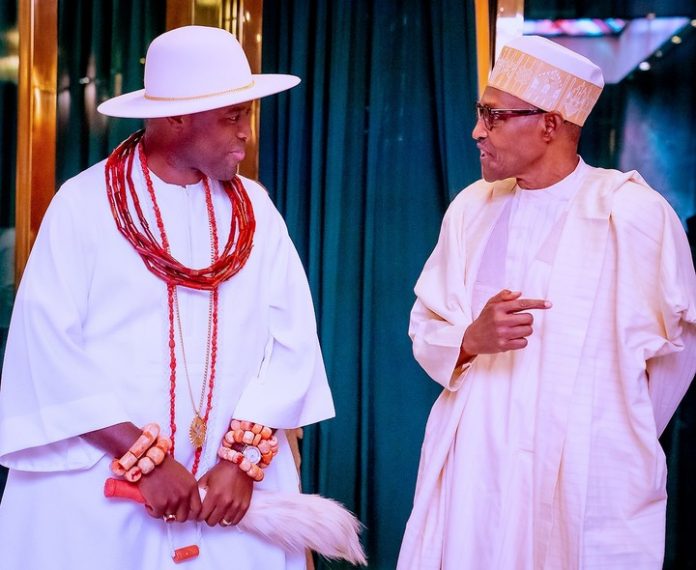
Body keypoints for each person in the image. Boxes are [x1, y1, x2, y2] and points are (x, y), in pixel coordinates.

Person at [0, 25, 334, 569]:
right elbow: (46, 351)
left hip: (232, 496)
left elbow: (293, 342)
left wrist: (241, 463)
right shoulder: (83, 205)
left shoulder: (257, 210)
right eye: (233, 117)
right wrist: (145, 461)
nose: (247, 133)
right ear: (177, 117)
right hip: (104, 495)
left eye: (246, 115)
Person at [398, 35, 696, 569]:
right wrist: (469, 340)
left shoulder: (631, 214)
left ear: (550, 124)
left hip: (586, 474)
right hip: (478, 470)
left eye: (493, 117)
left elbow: (676, 354)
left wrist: (608, 432)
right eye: (478, 114)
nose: (476, 132)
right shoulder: (471, 208)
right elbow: (427, 322)